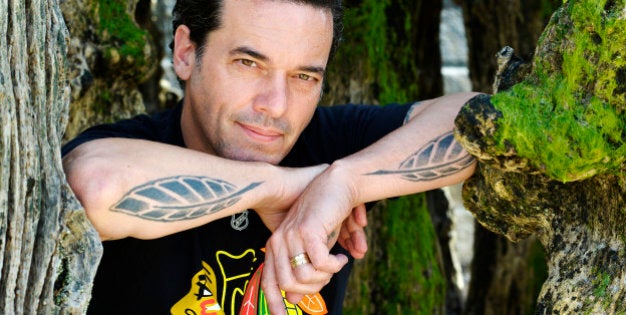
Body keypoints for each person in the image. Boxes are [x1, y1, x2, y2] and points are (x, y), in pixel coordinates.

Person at [62, 0, 478, 314]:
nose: (276, 105)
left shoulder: (331, 148)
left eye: (303, 76)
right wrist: (288, 187)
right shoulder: (135, 150)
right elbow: (93, 188)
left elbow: (484, 124)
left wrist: (347, 182)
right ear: (186, 52)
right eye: (248, 63)